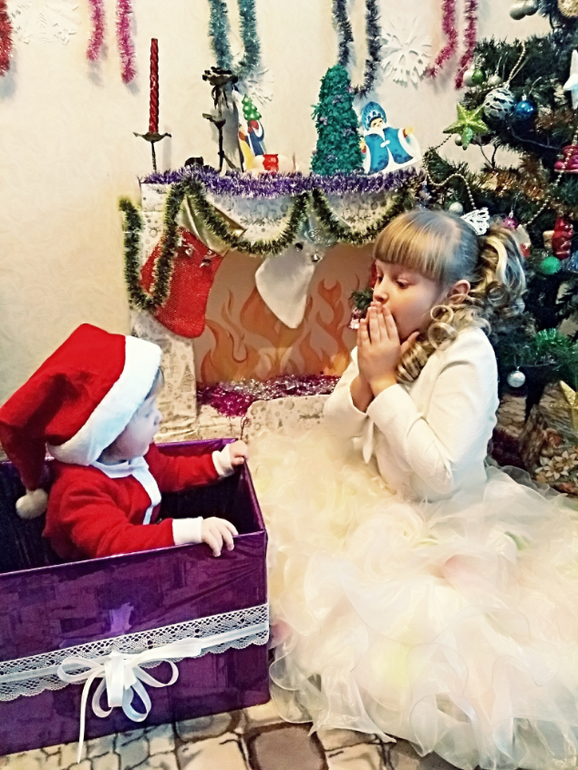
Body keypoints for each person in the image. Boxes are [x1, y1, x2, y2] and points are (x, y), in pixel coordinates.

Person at [249, 209, 578, 770]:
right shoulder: (389, 332)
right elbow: (335, 427)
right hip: (377, 491)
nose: (381, 291)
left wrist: (383, 382)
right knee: (295, 562)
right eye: (379, 275)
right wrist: (365, 374)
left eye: (401, 282)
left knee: (425, 632)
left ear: (454, 294)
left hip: (443, 516)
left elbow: (440, 472)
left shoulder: (467, 354)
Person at [0, 324, 248, 560]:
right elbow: (114, 544)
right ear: (108, 431)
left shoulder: (134, 452)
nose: (159, 417)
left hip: (141, 540)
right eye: (148, 413)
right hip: (96, 576)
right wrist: (187, 531)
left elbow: (168, 471)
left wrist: (220, 462)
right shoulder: (78, 491)